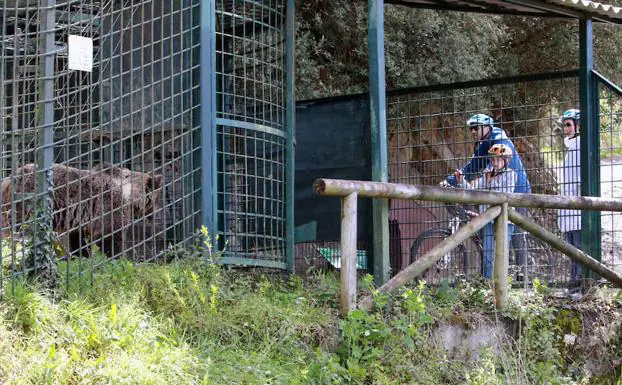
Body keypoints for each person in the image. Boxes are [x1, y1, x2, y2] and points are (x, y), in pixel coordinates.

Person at [444, 113, 532, 278]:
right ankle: (492, 279)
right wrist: (455, 180)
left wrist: (489, 179)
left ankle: (523, 277)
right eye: (471, 129)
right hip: (493, 207)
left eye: (476, 128)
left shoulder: (500, 141)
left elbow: (504, 181)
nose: (473, 132)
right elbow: (474, 167)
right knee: (494, 246)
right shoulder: (486, 145)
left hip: (518, 194)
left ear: (487, 127)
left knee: (516, 238)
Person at [455, 144, 516, 279]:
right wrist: (462, 181)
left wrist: (491, 181)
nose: (494, 163)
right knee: (488, 252)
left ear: (506, 161)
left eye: (498, 159)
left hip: (505, 219)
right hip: (488, 219)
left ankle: (502, 282)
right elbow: (476, 192)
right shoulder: (487, 173)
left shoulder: (511, 174)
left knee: (502, 251)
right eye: (493, 159)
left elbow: (505, 194)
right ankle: (488, 282)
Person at [558, 108, 582, 286]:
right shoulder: (571, 150)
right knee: (573, 250)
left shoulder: (580, 148)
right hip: (569, 208)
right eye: (564, 125)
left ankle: (578, 284)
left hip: (578, 208)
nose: (565, 129)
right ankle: (574, 283)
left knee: (579, 250)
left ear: (578, 126)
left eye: (568, 125)